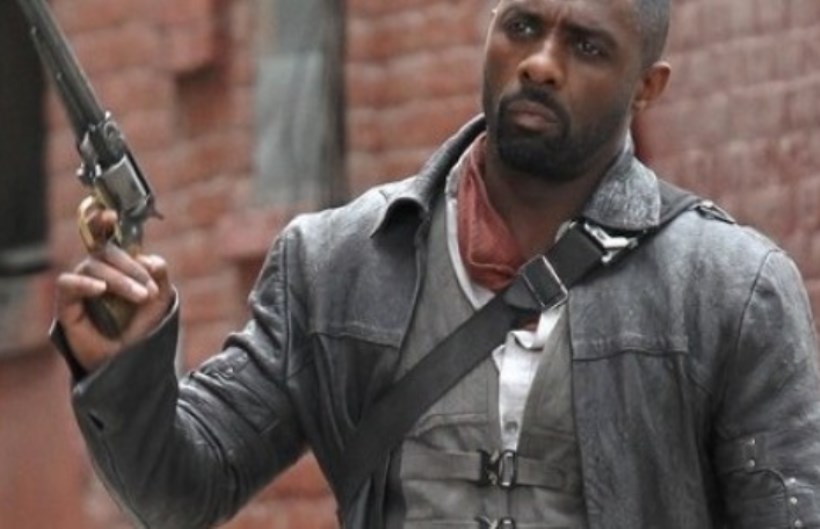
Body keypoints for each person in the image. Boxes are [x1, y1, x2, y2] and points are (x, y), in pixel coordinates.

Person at [53, 0, 820, 527]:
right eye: (522, 26)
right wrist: (125, 368)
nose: (540, 64)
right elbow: (182, 489)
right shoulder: (337, 265)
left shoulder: (729, 290)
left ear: (647, 87)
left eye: (586, 46)